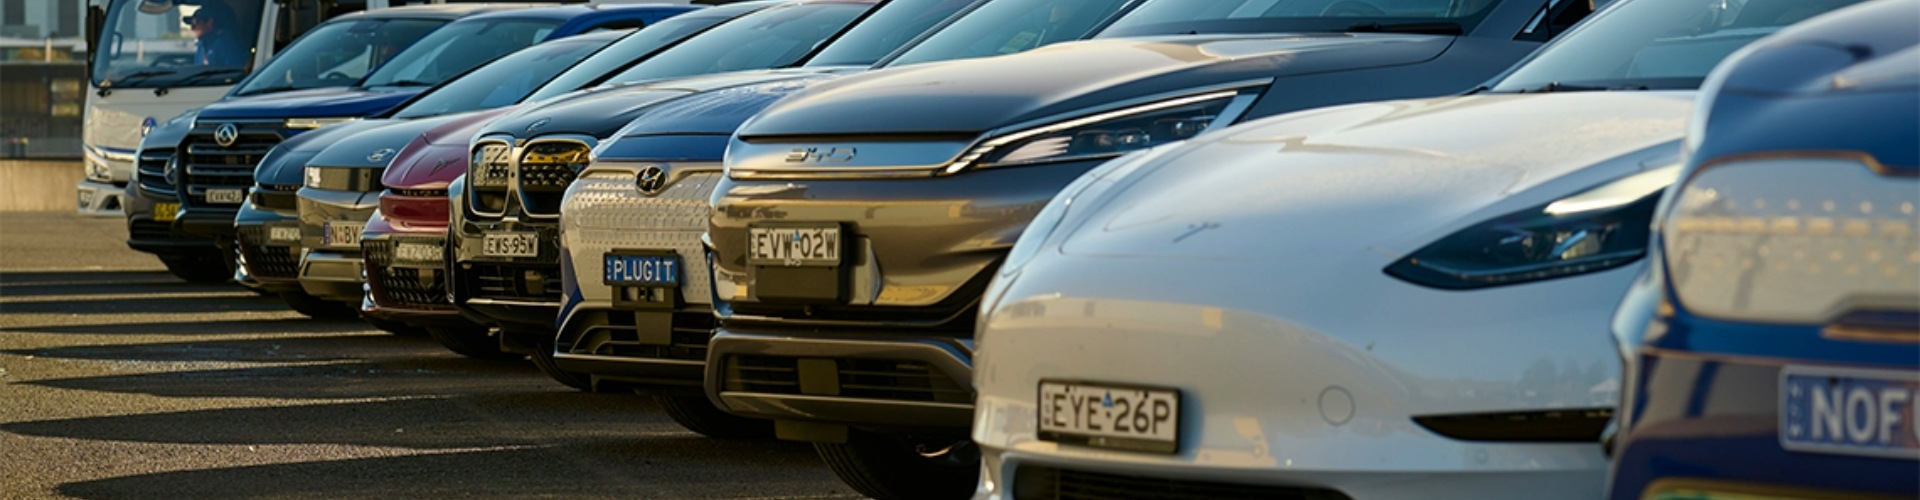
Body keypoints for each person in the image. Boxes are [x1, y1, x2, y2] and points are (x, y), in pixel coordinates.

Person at [185, 2, 246, 66]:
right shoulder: (202, 44)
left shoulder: (226, 43)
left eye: (196, 23)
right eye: (191, 24)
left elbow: (234, 71)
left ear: (209, 22)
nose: (192, 28)